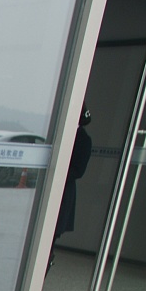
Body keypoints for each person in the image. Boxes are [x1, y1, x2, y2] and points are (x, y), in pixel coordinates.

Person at [48, 104, 92, 272]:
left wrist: (56, 172)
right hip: (51, 190)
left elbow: (78, 171)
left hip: (63, 193)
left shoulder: (83, 139)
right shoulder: (60, 134)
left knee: (50, 237)